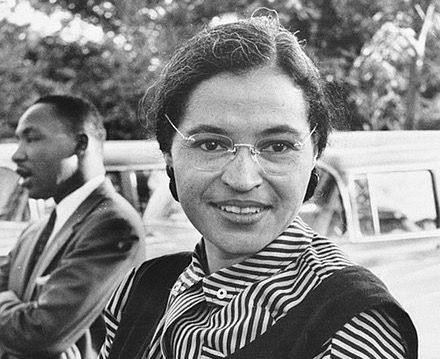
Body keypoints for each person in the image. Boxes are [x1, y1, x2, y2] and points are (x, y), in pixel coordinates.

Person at [99, 11, 417, 359]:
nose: (242, 179)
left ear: (315, 155)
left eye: (278, 146)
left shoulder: (351, 323)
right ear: (168, 154)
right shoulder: (140, 289)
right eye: (211, 144)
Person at [0, 95, 146, 359]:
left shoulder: (114, 226)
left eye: (31, 139)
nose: (17, 154)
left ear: (80, 144)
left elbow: (39, 334)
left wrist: (14, 304)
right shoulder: (34, 231)